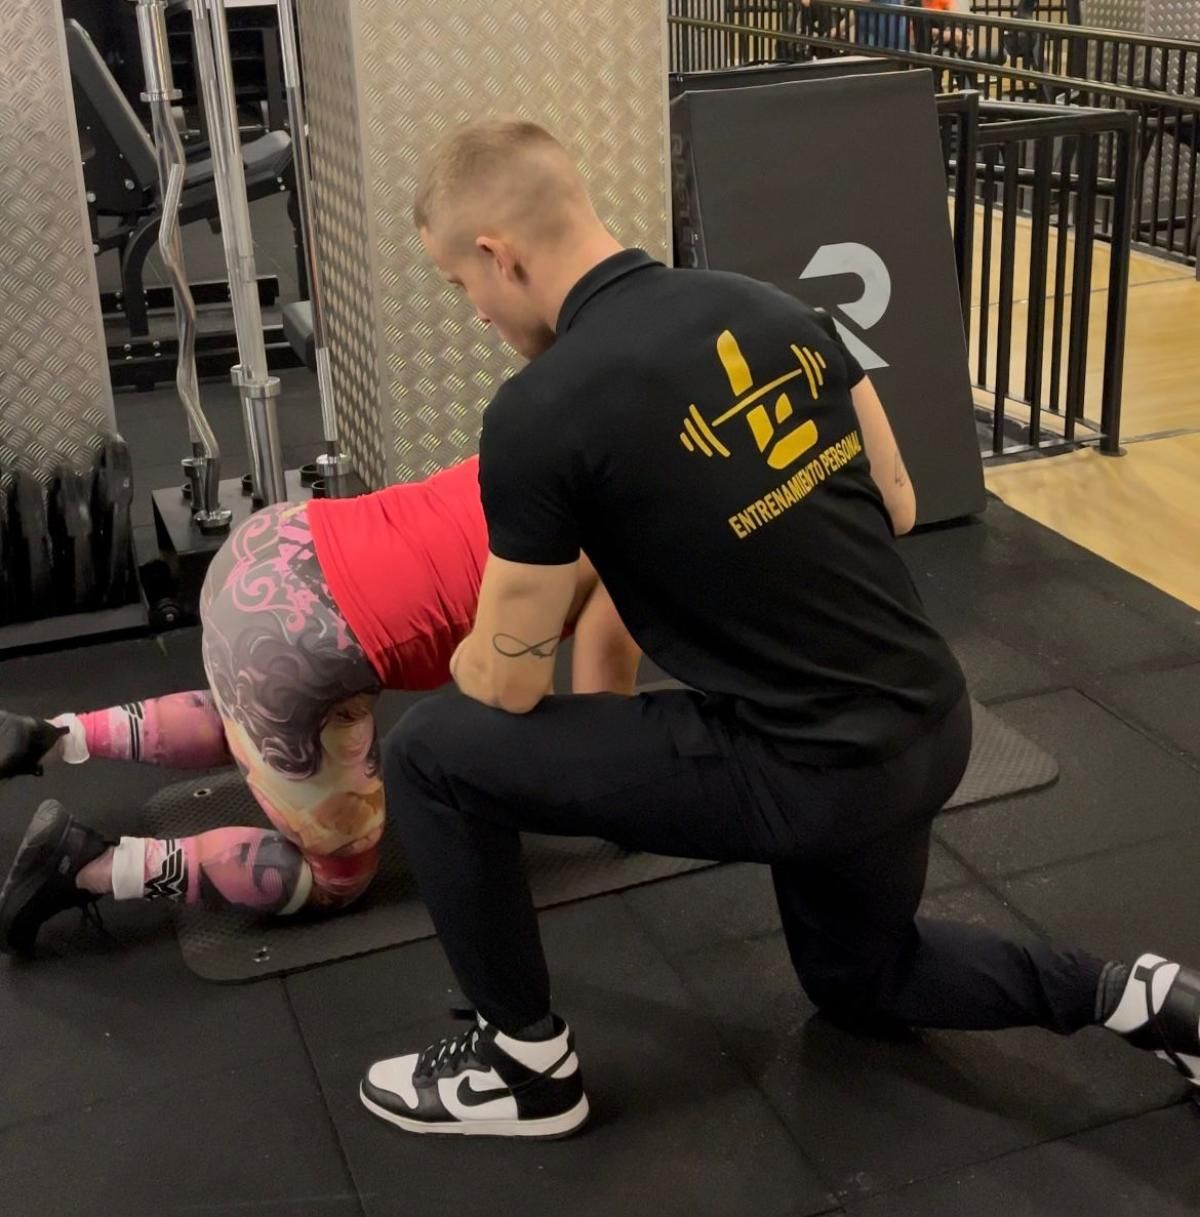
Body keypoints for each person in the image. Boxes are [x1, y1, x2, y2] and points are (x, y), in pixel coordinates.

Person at [358, 117, 1200, 1141]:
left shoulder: (539, 410)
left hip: (802, 770)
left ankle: (525, 1065)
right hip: (929, 723)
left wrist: (462, 628)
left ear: (499, 253)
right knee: (863, 977)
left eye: (462, 287)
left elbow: (507, 689)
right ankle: (1136, 994)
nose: (477, 313)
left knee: (436, 752)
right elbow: (891, 500)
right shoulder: (776, 307)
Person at [0, 456, 641, 955]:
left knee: (259, 716)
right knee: (336, 880)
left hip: (271, 546)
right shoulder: (638, 544)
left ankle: (53, 736)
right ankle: (94, 866)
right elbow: (600, 732)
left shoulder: (552, 437)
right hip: (303, 644)